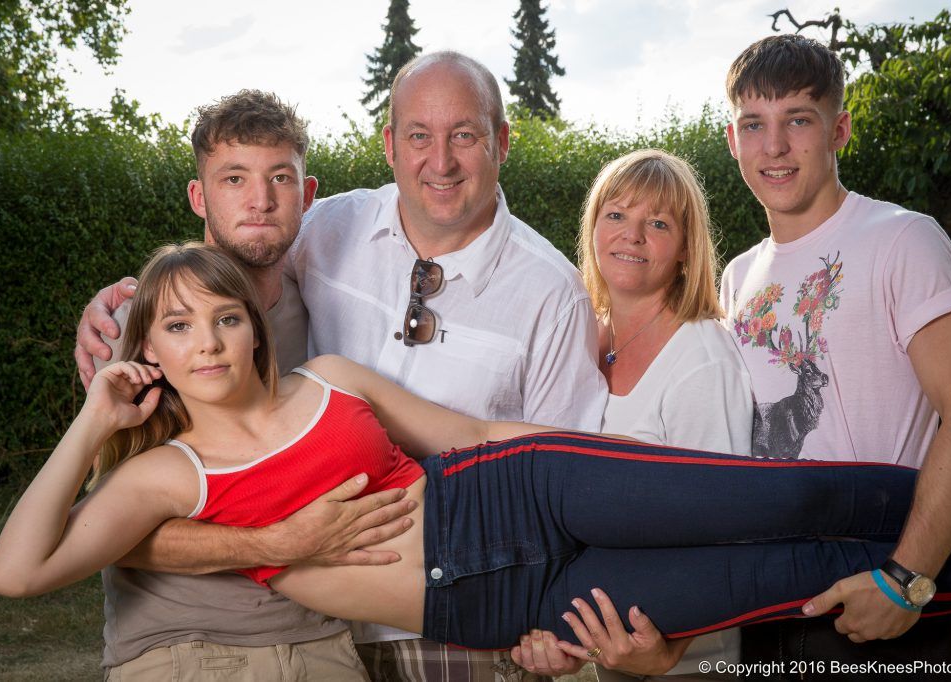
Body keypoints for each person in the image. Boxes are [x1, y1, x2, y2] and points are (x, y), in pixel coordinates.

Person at [0, 243, 951, 667]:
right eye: (176, 328)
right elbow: (17, 571)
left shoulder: (333, 377)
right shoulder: (168, 477)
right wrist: (95, 419)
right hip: (498, 605)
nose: (206, 341)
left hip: (530, 491)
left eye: (222, 316)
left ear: (255, 326)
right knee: (791, 573)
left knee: (793, 497)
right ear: (148, 352)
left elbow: (469, 436)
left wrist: (589, 460)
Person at [75, 50, 606, 682]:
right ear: (389, 144)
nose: (440, 161)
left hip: (418, 627)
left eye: (463, 135)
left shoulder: (546, 292)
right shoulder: (164, 328)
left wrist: (553, 611)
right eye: (418, 136)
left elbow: (566, 468)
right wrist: (280, 544)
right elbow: (101, 527)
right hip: (206, 642)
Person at [74, 90, 417, 680]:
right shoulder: (142, 328)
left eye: (280, 178)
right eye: (234, 179)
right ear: (198, 196)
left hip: (322, 639)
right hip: (182, 643)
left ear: (308, 197)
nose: (260, 201)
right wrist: (277, 543)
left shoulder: (324, 310)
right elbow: (101, 531)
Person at [717, 35, 951, 677]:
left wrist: (909, 578)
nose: (775, 147)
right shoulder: (737, 276)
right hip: (768, 603)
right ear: (732, 140)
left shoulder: (904, 238)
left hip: (880, 596)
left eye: (798, 120)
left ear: (838, 128)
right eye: (753, 125)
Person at [513, 149, 754, 680]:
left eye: (658, 223)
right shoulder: (579, 335)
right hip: (609, 632)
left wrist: (668, 652)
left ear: (688, 248)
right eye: (616, 215)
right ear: (593, 225)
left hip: (686, 644)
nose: (632, 235)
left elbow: (725, 525)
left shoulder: (701, 357)